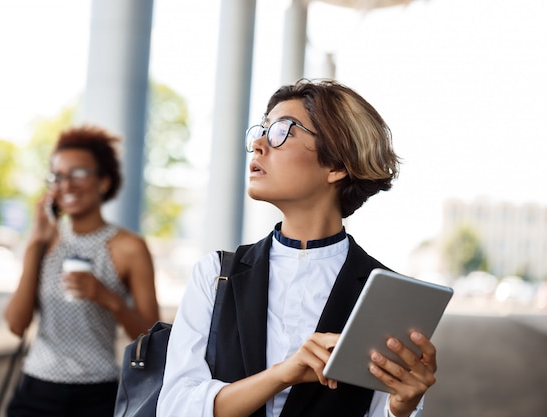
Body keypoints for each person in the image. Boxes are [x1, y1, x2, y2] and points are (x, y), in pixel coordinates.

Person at [157, 79, 437, 417]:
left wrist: (402, 407)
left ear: (335, 165)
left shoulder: (385, 296)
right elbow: (174, 408)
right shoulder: (216, 275)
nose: (258, 144)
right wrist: (283, 373)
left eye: (280, 131)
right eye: (260, 130)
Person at [4, 125, 160, 416]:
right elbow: (16, 324)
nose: (66, 185)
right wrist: (35, 242)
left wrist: (108, 298)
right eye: (58, 176)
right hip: (36, 390)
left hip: (97, 395)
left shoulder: (129, 248)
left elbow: (150, 337)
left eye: (77, 174)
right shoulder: (44, 240)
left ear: (103, 182)